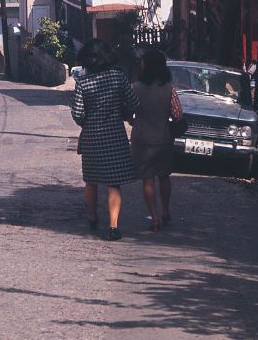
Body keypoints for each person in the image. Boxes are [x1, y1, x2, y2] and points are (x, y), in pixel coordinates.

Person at [71, 38, 138, 241]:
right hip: (115, 136)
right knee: (113, 183)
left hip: (91, 137)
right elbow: (134, 102)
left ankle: (92, 218)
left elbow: (77, 113)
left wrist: (88, 122)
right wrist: (121, 111)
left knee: (91, 181)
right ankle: (113, 226)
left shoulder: (83, 82)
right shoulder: (119, 77)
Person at [130, 47, 179, 231]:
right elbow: (177, 114)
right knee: (164, 177)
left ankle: (155, 218)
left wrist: (132, 120)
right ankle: (165, 210)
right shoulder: (169, 89)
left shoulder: (135, 88)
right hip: (163, 138)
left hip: (141, 139)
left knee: (148, 179)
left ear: (146, 66)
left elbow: (127, 109)